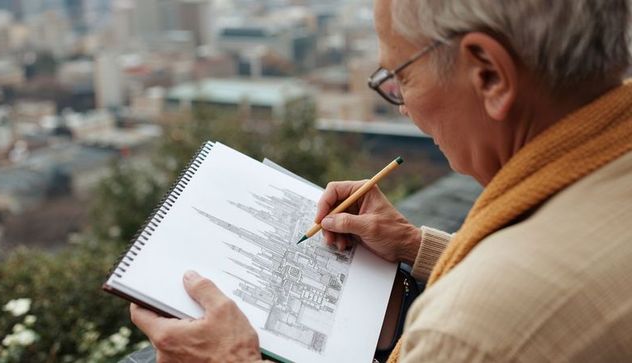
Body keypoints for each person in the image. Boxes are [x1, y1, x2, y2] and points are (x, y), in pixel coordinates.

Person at [127, 0, 632, 361]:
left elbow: (505, 309)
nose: (404, 105)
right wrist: (417, 246)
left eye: (402, 76)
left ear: (490, 75)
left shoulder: (471, 333)